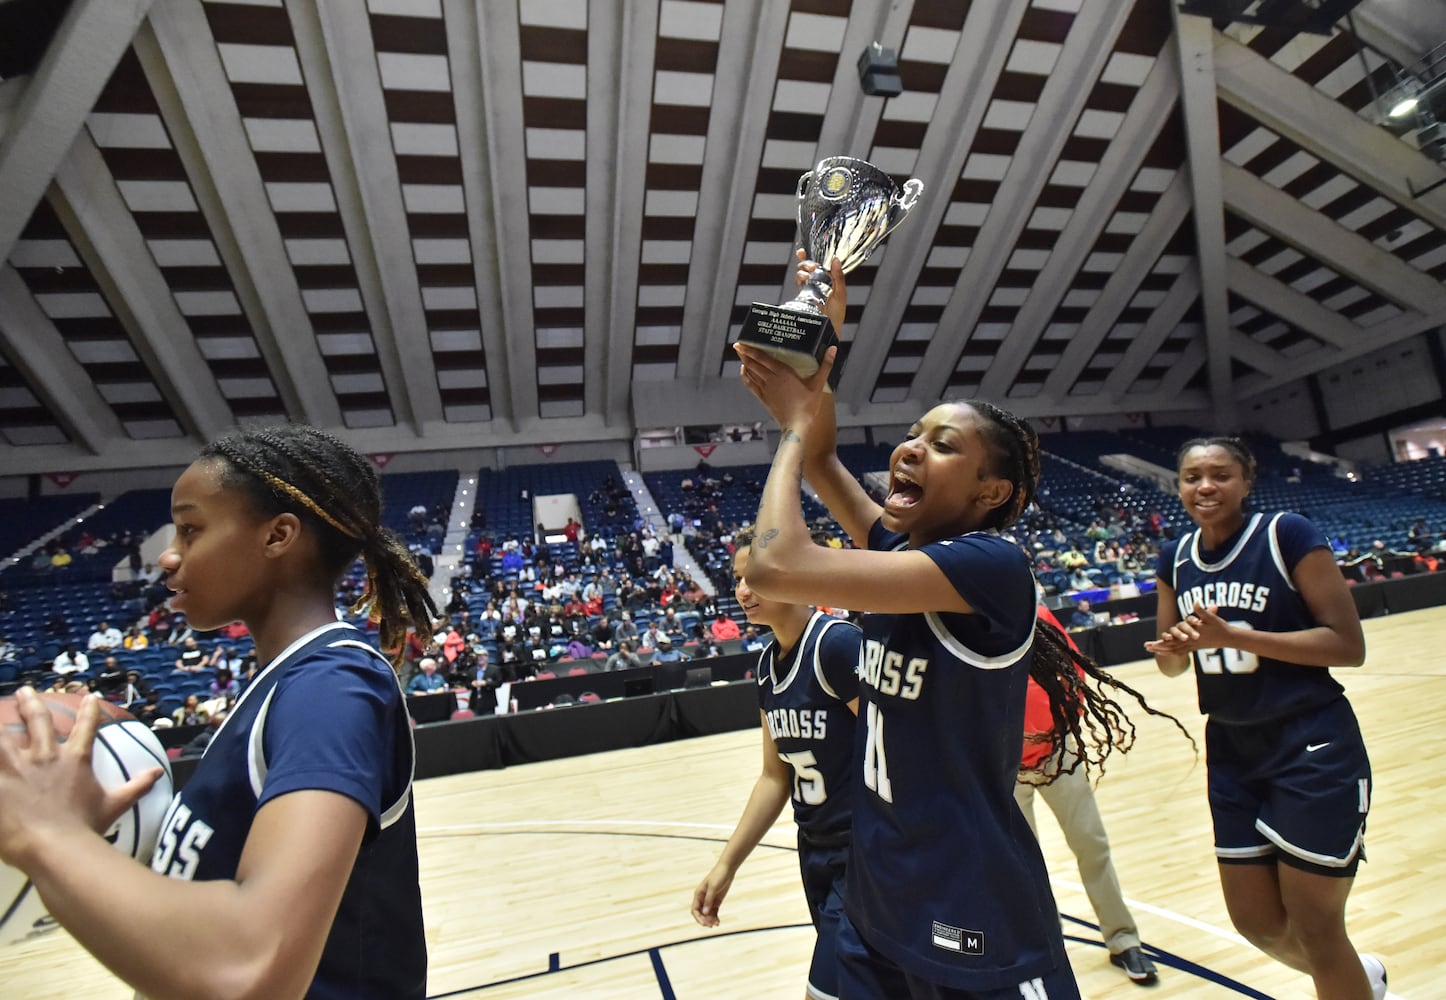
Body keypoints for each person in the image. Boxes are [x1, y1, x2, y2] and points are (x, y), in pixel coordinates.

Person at [731, 253, 1174, 998]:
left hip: (972, 899)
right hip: (880, 886)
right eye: (914, 433)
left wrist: (792, 429)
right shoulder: (903, 553)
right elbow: (826, 460)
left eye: (943, 446)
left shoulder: (990, 565)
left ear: (990, 490)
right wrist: (818, 356)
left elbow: (775, 564)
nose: (910, 448)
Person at [0, 423, 435, 998]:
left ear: (278, 536)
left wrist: (49, 835)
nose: (168, 556)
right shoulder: (287, 683)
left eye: (191, 529)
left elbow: (251, 966)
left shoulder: (332, 686)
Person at [1144, 436, 1387, 1000]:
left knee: (1318, 926)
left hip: (1311, 743)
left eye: (1220, 475)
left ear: (1247, 482)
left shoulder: (1286, 535)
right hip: (1231, 750)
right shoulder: (1174, 557)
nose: (1205, 486)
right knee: (1254, 921)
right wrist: (1177, 648)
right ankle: (1363, 982)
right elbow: (1174, 665)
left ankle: (1352, 982)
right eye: (1192, 477)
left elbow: (1348, 645)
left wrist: (1233, 635)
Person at [692, 528, 861, 1000]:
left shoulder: (837, 646)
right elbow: (774, 776)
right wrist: (727, 864)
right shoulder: (767, 665)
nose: (742, 590)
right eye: (737, 579)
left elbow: (895, 748)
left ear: (793, 576)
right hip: (815, 850)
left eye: (754, 577)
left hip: (865, 853)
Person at [1018, 604, 1157, 984]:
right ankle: (1042, 950)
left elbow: (1073, 667)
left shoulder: (1035, 613)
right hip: (1004, 767)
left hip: (1058, 749)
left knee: (1091, 843)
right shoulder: (958, 624)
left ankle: (1124, 940)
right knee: (1022, 865)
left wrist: (1067, 723)